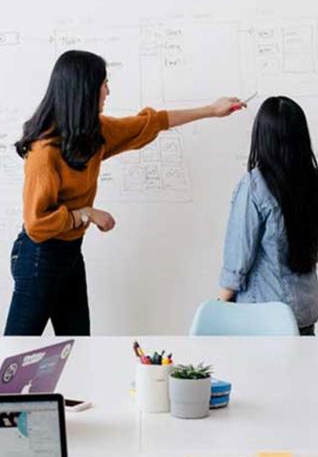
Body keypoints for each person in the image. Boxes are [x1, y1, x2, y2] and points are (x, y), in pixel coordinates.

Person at [5, 49, 245, 336]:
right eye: (103, 84)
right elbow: (36, 224)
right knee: (18, 352)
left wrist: (211, 110)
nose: (108, 91)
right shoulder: (44, 153)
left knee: (78, 347)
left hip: (69, 253)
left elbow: (152, 122)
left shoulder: (93, 133)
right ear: (83, 90)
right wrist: (86, 214)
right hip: (38, 256)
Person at [218, 96, 318, 335]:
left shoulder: (254, 186)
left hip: (263, 316)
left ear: (262, 136)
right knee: (300, 373)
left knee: (256, 374)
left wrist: (219, 307)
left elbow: (238, 259)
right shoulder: (317, 184)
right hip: (305, 311)